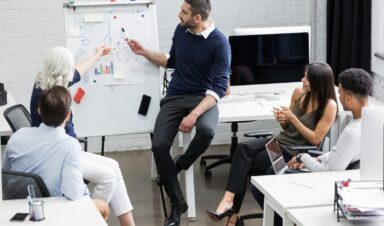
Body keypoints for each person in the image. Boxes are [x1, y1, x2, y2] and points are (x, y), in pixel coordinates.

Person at [128, 1, 231, 226]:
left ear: (197, 17)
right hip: (175, 96)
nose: (179, 15)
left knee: (205, 132)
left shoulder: (219, 42)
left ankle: (179, 165)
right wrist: (143, 52)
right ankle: (177, 204)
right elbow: (171, 61)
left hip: (203, 97)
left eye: (184, 12)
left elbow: (220, 87)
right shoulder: (181, 30)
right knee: (158, 145)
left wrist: (194, 114)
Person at [207, 63, 338, 226]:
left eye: (307, 78)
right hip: (278, 142)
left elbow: (315, 139)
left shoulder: (329, 106)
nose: (302, 80)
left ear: (318, 82)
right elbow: (287, 127)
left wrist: (293, 118)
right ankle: (228, 203)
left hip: (293, 153)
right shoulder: (299, 93)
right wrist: (283, 120)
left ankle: (235, 214)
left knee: (243, 166)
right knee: (243, 149)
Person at [30, 47, 136, 226]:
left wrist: (97, 55)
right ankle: (87, 219)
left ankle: (128, 224)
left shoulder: (48, 82)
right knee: (108, 177)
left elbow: (78, 71)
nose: (73, 72)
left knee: (114, 166)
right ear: (63, 72)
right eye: (69, 68)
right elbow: (58, 141)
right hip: (60, 154)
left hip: (66, 148)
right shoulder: (52, 96)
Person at [3, 86, 110, 220]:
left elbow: (5, 177)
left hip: (17, 207)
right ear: (68, 115)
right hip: (51, 210)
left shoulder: (17, 136)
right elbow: (73, 193)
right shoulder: (69, 145)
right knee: (103, 206)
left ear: (39, 110)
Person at [288, 68, 372, 171]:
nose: (339, 97)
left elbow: (329, 174)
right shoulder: (369, 120)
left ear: (349, 98)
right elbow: (339, 152)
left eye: (340, 93)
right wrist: (317, 159)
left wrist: (301, 157)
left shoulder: (351, 133)